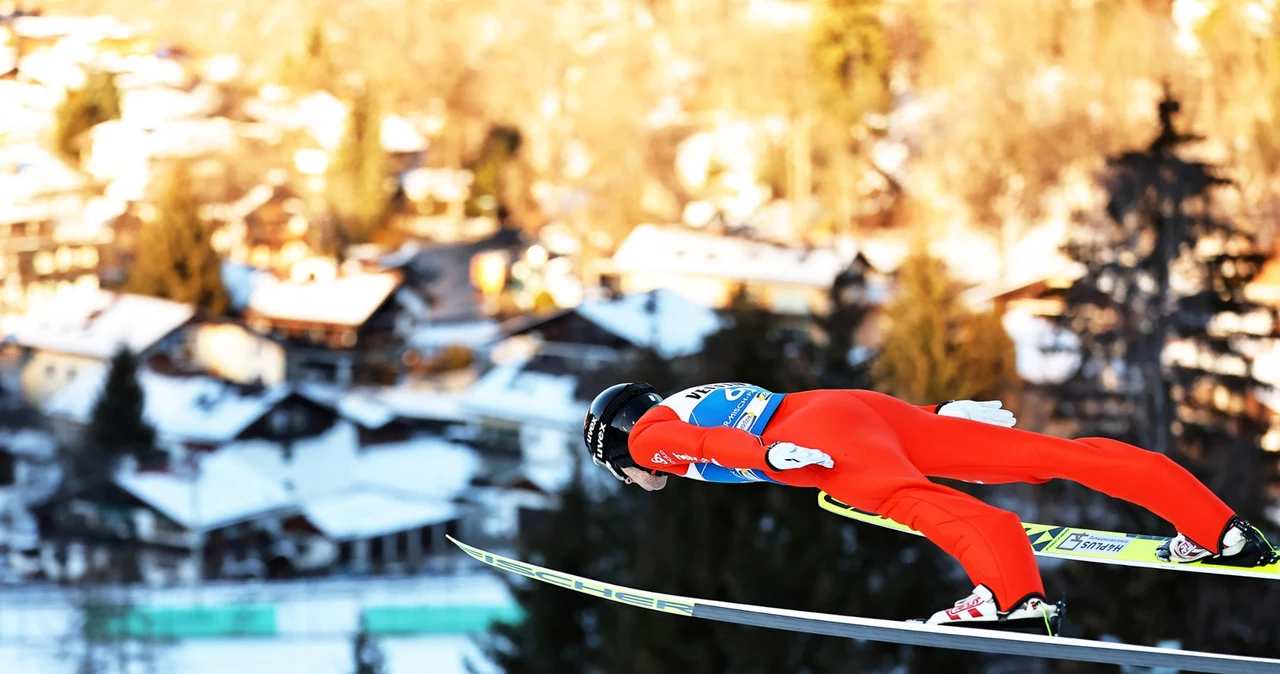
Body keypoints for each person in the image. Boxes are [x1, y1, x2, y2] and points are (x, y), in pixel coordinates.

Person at [582, 381, 1279, 629]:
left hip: (809, 439)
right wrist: (936, 415)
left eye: (619, 470)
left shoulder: (648, 438)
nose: (632, 477)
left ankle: (1011, 597)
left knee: (907, 500)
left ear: (614, 447)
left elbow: (702, 443)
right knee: (1052, 455)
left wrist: (765, 458)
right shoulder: (684, 397)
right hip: (850, 407)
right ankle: (1221, 529)